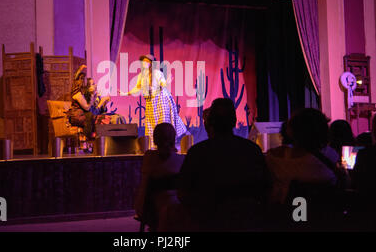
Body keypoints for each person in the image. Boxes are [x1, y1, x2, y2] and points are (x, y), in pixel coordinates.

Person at [177, 98, 272, 231]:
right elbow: (266, 188)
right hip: (247, 221)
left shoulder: (197, 153)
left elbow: (183, 192)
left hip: (208, 222)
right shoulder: (252, 150)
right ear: (234, 122)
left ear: (209, 123)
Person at [265, 108, 338, 205]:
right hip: (325, 215)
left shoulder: (275, 158)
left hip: (287, 216)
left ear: (290, 131)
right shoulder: (330, 155)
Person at [118, 54, 188, 147]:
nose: (144, 63)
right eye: (143, 61)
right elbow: (137, 88)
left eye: (146, 61)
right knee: (151, 123)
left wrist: (166, 82)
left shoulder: (157, 73)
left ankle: (167, 144)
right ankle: (154, 145)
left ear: (151, 64)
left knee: (163, 121)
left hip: (161, 99)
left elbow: (162, 85)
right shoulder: (141, 76)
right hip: (150, 101)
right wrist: (125, 93)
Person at [134, 123, 184, 231]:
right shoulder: (180, 160)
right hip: (175, 209)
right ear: (173, 138)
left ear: (155, 139)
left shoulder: (148, 157)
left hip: (148, 209)